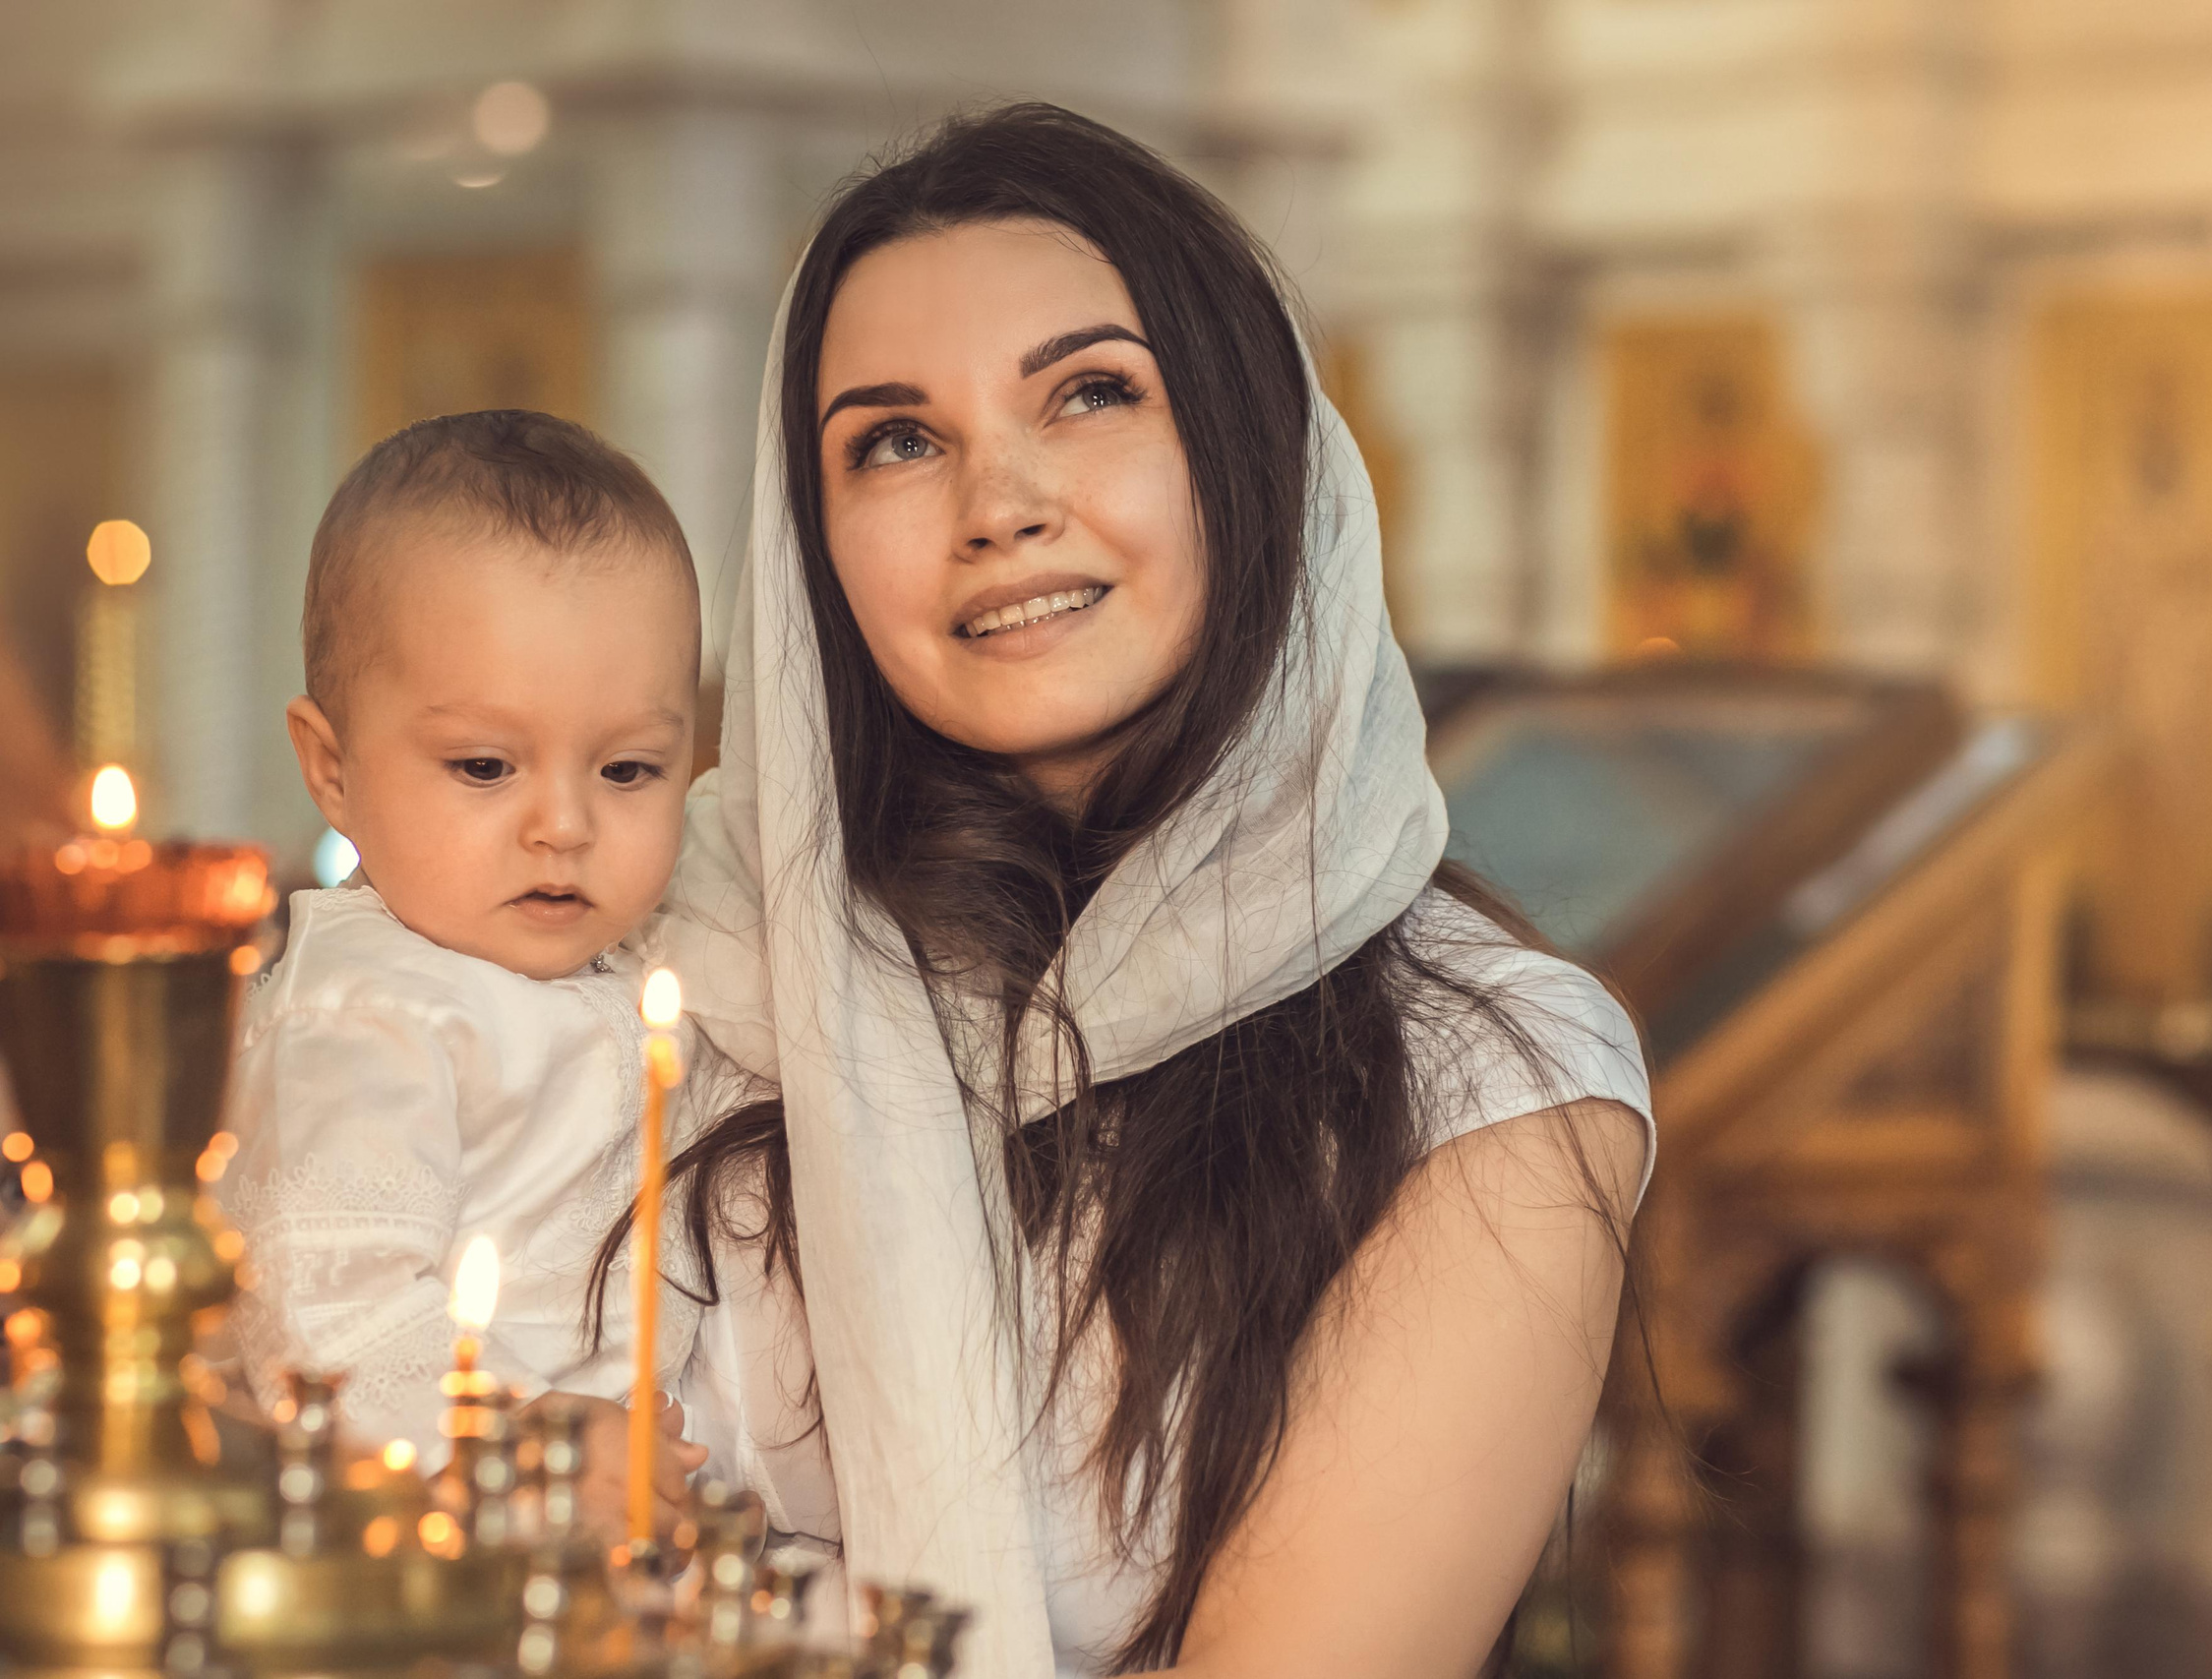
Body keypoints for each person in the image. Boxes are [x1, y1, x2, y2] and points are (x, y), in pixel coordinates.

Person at [647, 104, 1654, 1679]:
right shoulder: (679, 974)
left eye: (1092, 393)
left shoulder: (1491, 1076)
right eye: (895, 440)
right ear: (810, 545)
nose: (998, 502)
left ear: (1248, 458)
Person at [220, 410, 709, 1537]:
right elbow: (318, 1315)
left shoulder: (638, 963)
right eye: (485, 766)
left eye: (630, 767)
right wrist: (512, 1445)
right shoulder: (367, 1016)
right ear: (332, 769)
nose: (564, 824)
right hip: (426, 1545)